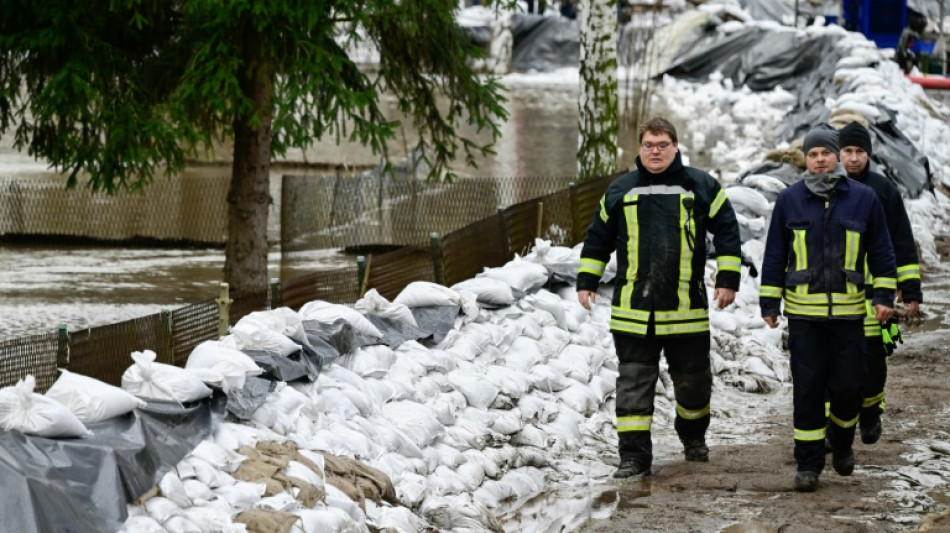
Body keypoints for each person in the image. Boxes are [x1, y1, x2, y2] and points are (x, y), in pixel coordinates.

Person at [576, 117, 742, 480]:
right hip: (633, 313)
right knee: (633, 388)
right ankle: (633, 458)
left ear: (676, 147)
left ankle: (693, 437)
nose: (655, 151)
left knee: (694, 385)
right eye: (649, 145)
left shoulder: (701, 186)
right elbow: (597, 239)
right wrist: (586, 280)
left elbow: (728, 231)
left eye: (662, 145)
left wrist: (728, 279)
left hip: (686, 309)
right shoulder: (620, 190)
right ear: (639, 148)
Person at [760, 126, 897, 492]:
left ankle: (842, 441)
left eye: (826, 153)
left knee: (850, 386)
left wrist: (884, 296)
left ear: (836, 156)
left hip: (850, 315)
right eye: (813, 154)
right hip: (805, 318)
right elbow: (775, 255)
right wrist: (769, 302)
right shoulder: (789, 200)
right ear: (806, 160)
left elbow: (882, 252)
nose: (820, 160)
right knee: (808, 389)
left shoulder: (864, 199)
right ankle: (808, 464)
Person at [837, 121, 923, 444]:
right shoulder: (826, 188)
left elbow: (901, 239)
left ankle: (871, 412)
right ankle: (835, 427)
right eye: (848, 151)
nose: (854, 158)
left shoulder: (883, 190)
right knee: (835, 365)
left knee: (875, 363)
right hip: (837, 295)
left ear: (869, 154)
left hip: (879, 296)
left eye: (860, 151)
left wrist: (910, 288)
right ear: (839, 153)